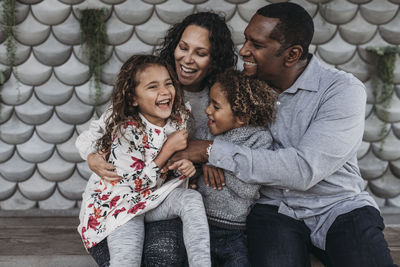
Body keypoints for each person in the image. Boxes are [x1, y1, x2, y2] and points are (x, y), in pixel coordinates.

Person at [169, 3, 398, 267]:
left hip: (338, 205)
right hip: (273, 209)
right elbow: (210, 117)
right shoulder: (244, 88)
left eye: (256, 44)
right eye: (246, 40)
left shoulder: (340, 91)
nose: (243, 50)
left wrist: (211, 151)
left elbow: (304, 168)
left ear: (291, 55)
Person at [77, 12, 237, 266]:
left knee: (170, 248)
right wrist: (92, 156)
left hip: (160, 194)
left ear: (214, 59)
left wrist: (193, 164)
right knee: (132, 252)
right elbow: (99, 140)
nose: (187, 58)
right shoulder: (129, 116)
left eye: (200, 53)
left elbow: (198, 152)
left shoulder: (196, 107)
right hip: (123, 201)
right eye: (183, 48)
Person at [77, 55, 211, 267]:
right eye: (152, 87)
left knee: (191, 199)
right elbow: (136, 185)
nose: (165, 92)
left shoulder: (180, 117)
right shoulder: (126, 131)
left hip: (155, 197)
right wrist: (167, 150)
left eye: (168, 83)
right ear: (133, 98)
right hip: (122, 203)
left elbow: (174, 166)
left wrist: (184, 167)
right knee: (127, 258)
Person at [194, 69, 276, 266]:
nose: (207, 111)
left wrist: (215, 159)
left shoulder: (259, 139)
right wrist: (203, 162)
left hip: (234, 232)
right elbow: (190, 166)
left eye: (216, 106)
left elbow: (247, 189)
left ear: (241, 117)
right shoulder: (205, 132)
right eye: (208, 103)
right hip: (198, 227)